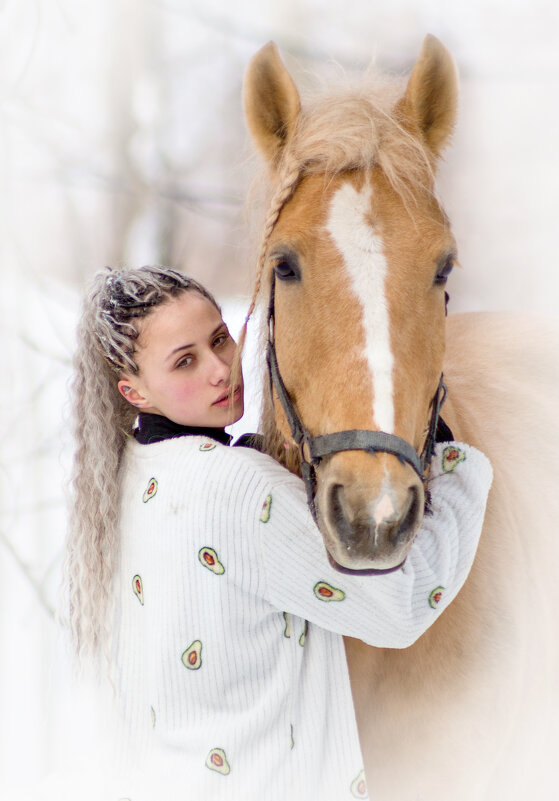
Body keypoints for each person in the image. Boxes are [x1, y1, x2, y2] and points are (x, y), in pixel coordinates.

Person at [66, 265, 493, 801]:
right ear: (136, 392)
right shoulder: (237, 489)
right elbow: (402, 608)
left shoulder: (121, 480)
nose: (222, 368)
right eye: (185, 361)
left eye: (219, 337)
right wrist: (458, 471)